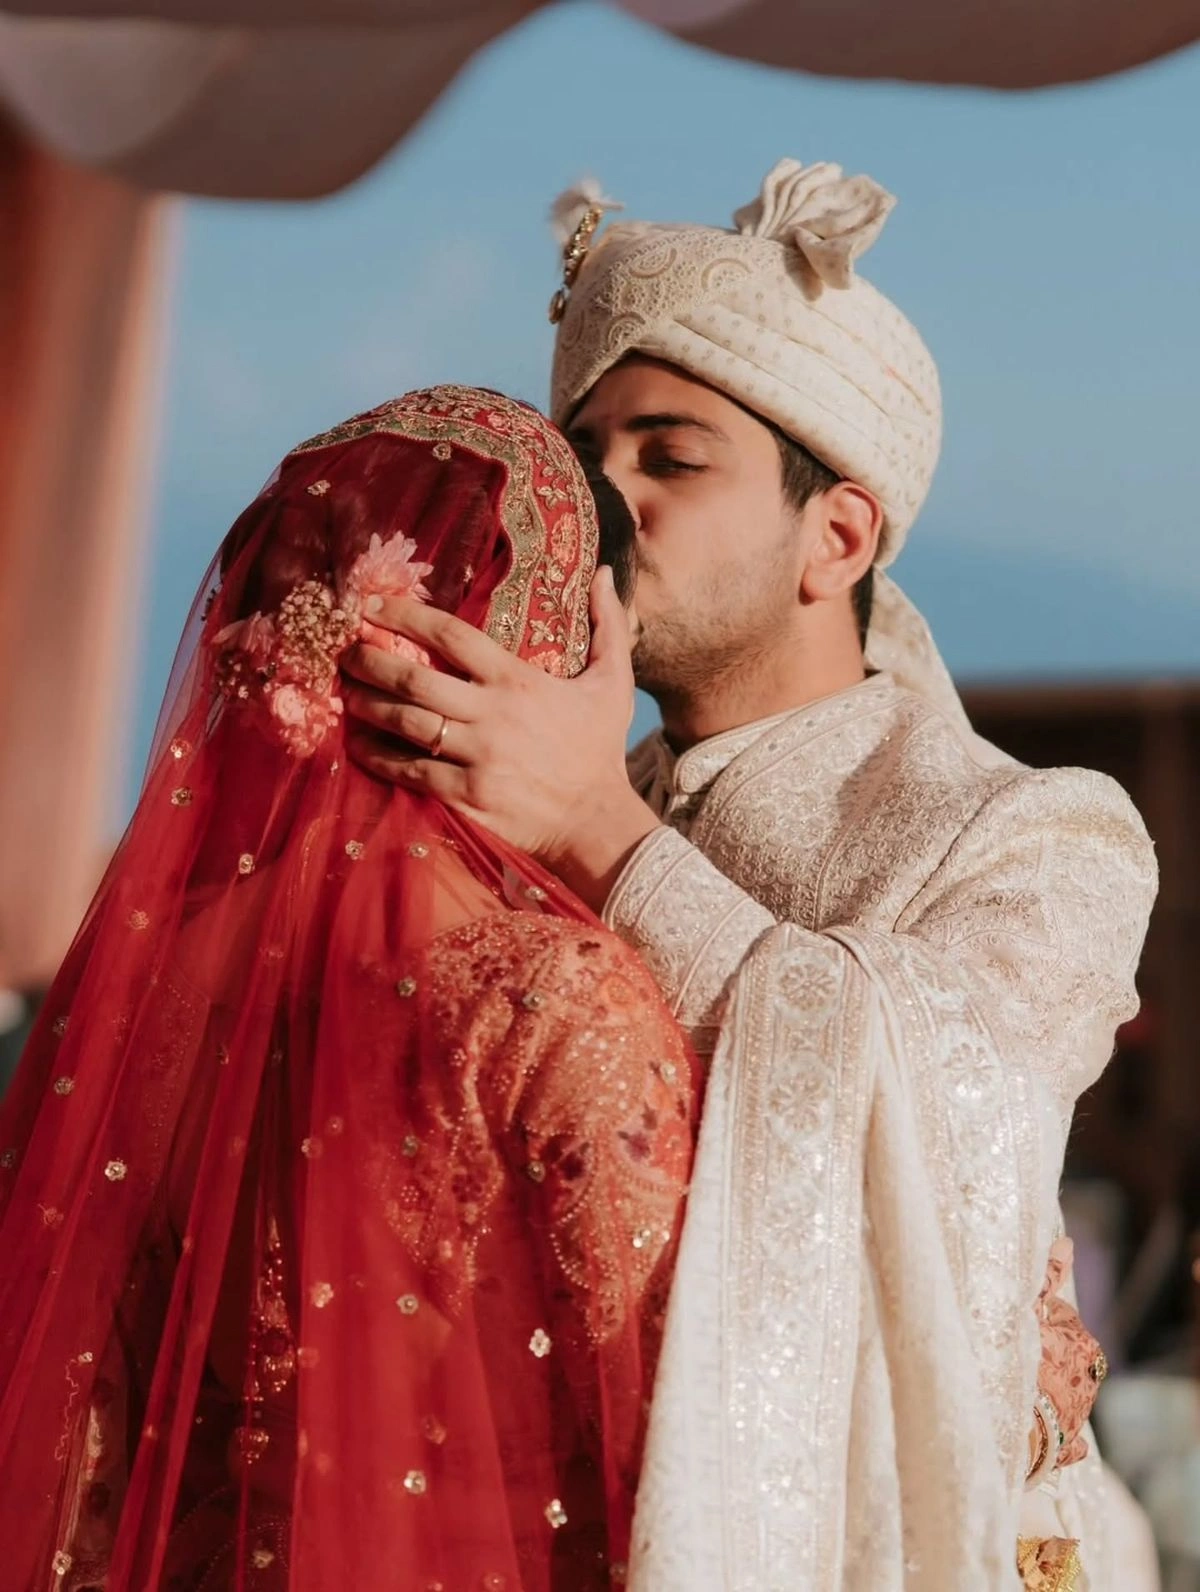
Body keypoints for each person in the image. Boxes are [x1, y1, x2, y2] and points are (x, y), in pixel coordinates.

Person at [341, 163, 1158, 1589]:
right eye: (590, 457)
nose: (609, 505)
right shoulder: (537, 804)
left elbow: (936, 1126)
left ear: (836, 537)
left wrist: (599, 832)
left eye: (671, 454)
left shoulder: (1043, 836)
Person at [0, 387, 700, 1591]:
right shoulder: (558, 996)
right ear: (555, 637)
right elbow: (687, 1438)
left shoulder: (151, 979)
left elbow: (91, 1421)